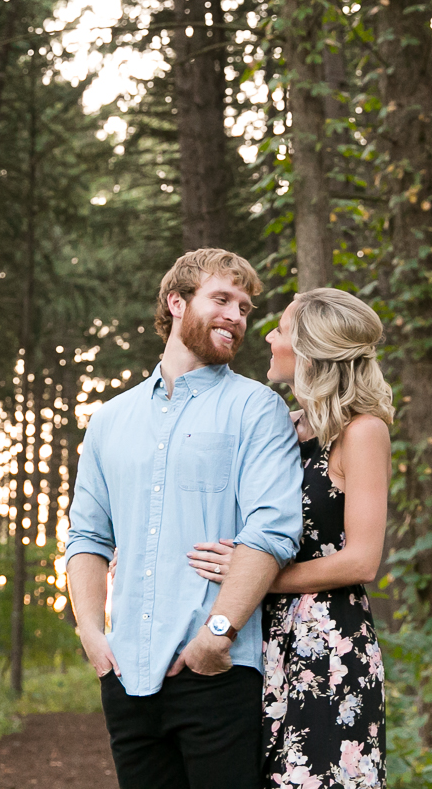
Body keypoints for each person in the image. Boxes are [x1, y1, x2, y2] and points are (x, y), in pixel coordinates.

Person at [64, 248, 304, 789]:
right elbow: (86, 536)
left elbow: (271, 529)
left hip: (217, 672)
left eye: (244, 308)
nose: (236, 317)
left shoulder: (257, 408)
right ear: (177, 302)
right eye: (221, 299)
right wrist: (89, 633)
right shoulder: (109, 420)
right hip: (126, 678)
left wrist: (217, 635)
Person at [187, 287, 392, 789]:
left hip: (328, 647)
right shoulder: (280, 426)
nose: (268, 335)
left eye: (280, 328)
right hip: (258, 641)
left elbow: (362, 561)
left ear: (308, 347)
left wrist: (255, 579)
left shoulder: (362, 431)